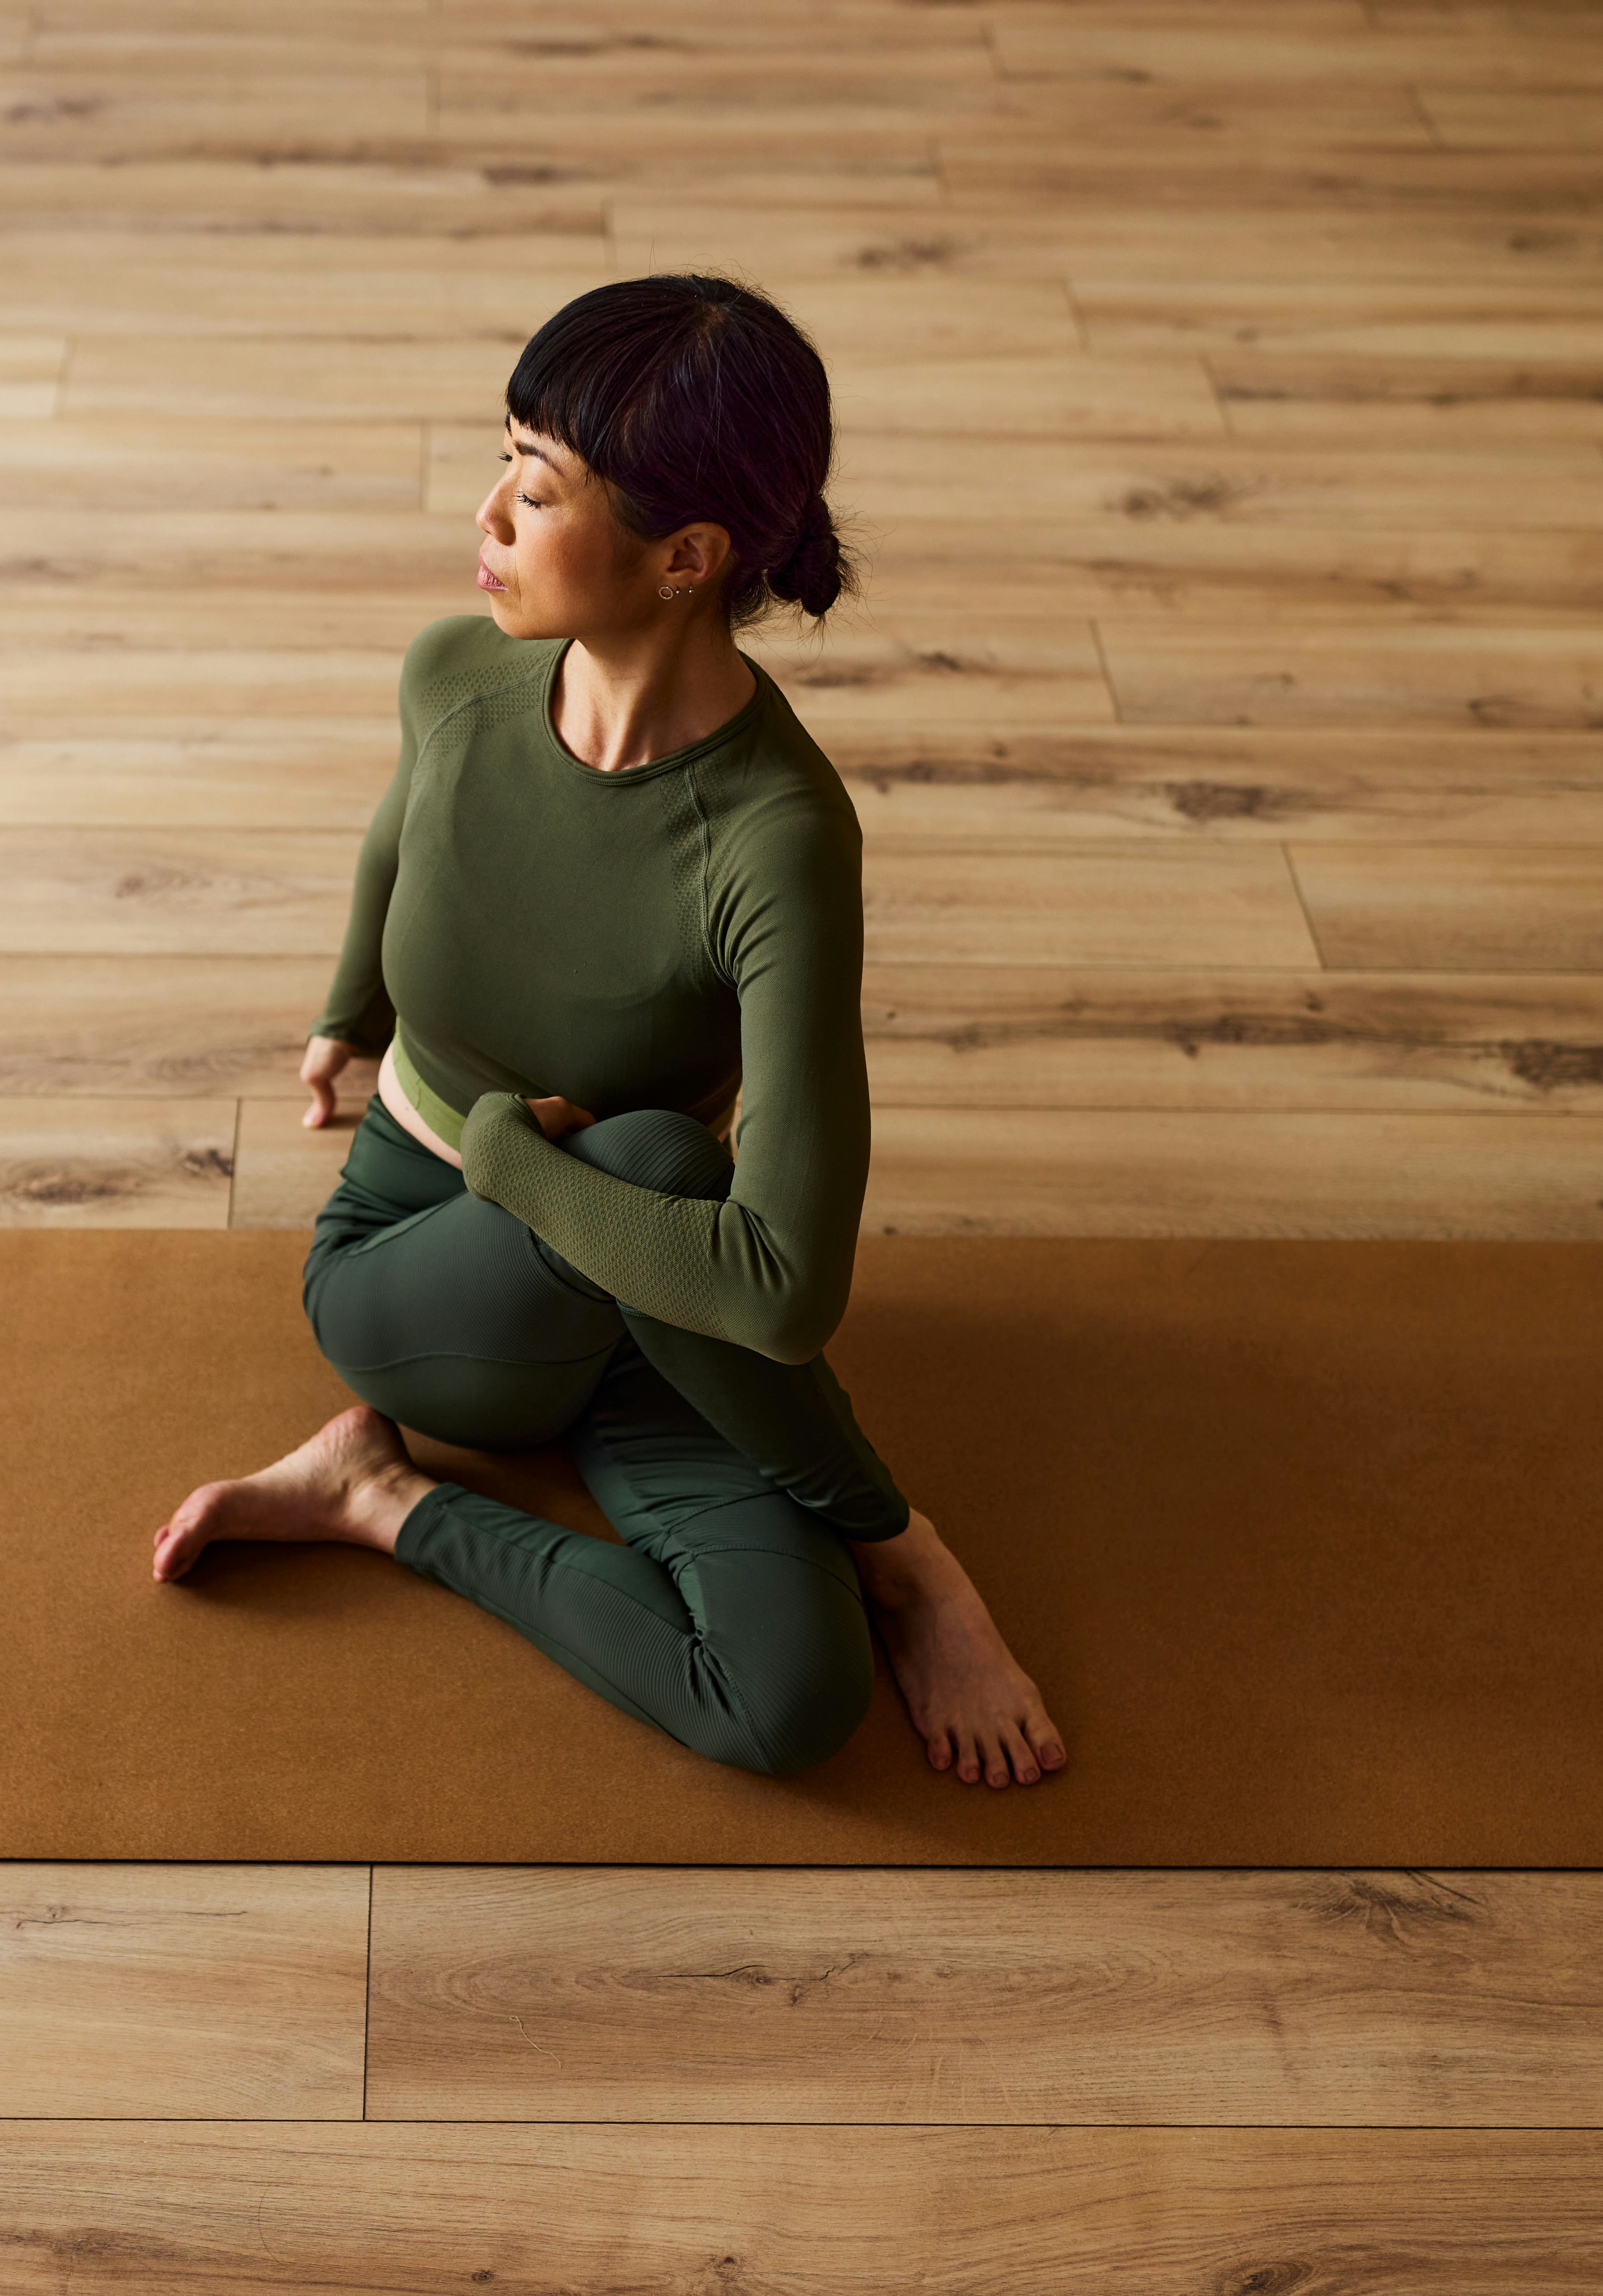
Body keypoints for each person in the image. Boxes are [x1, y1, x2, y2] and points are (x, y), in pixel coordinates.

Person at [150, 274, 1068, 1790]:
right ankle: (909, 1558)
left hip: (662, 1295)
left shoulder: (777, 839)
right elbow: (402, 832)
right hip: (421, 1278)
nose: (492, 513)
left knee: (786, 1705)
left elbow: (777, 1295)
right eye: (506, 460)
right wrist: (350, 1017)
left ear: (686, 557)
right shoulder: (456, 677)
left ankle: (375, 1501)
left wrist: (523, 1161)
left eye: (542, 485)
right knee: (649, 1152)